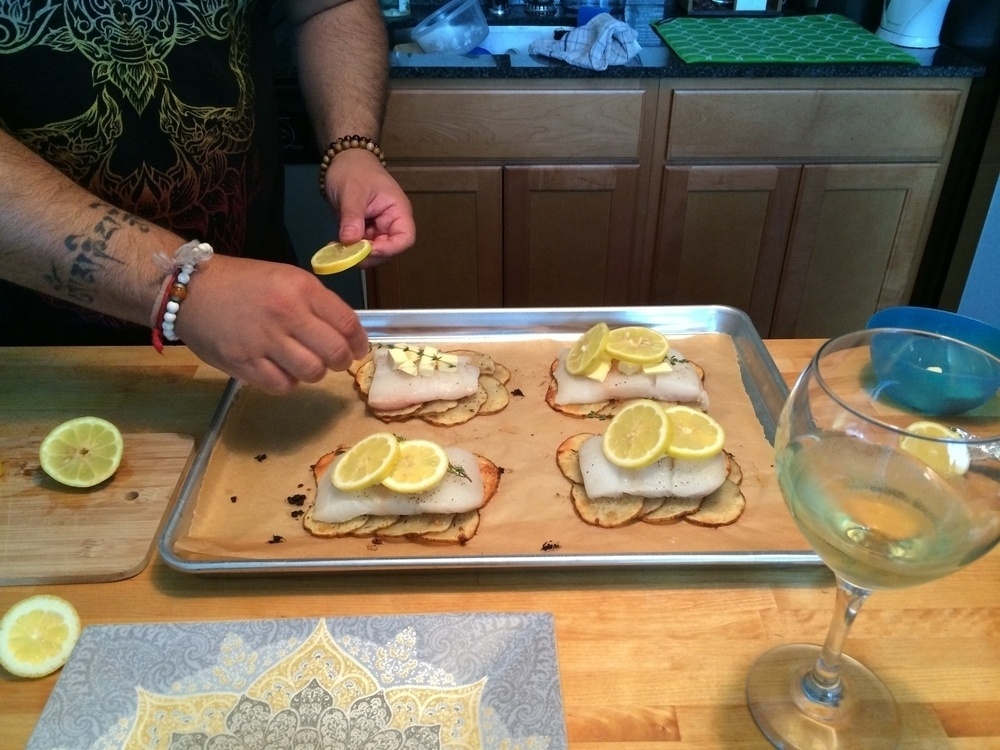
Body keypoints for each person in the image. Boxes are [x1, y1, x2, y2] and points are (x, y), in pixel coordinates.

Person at [0, 0, 415, 394]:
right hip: (40, 352)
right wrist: (181, 286)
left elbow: (329, 7)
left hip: (259, 313)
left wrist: (352, 147)